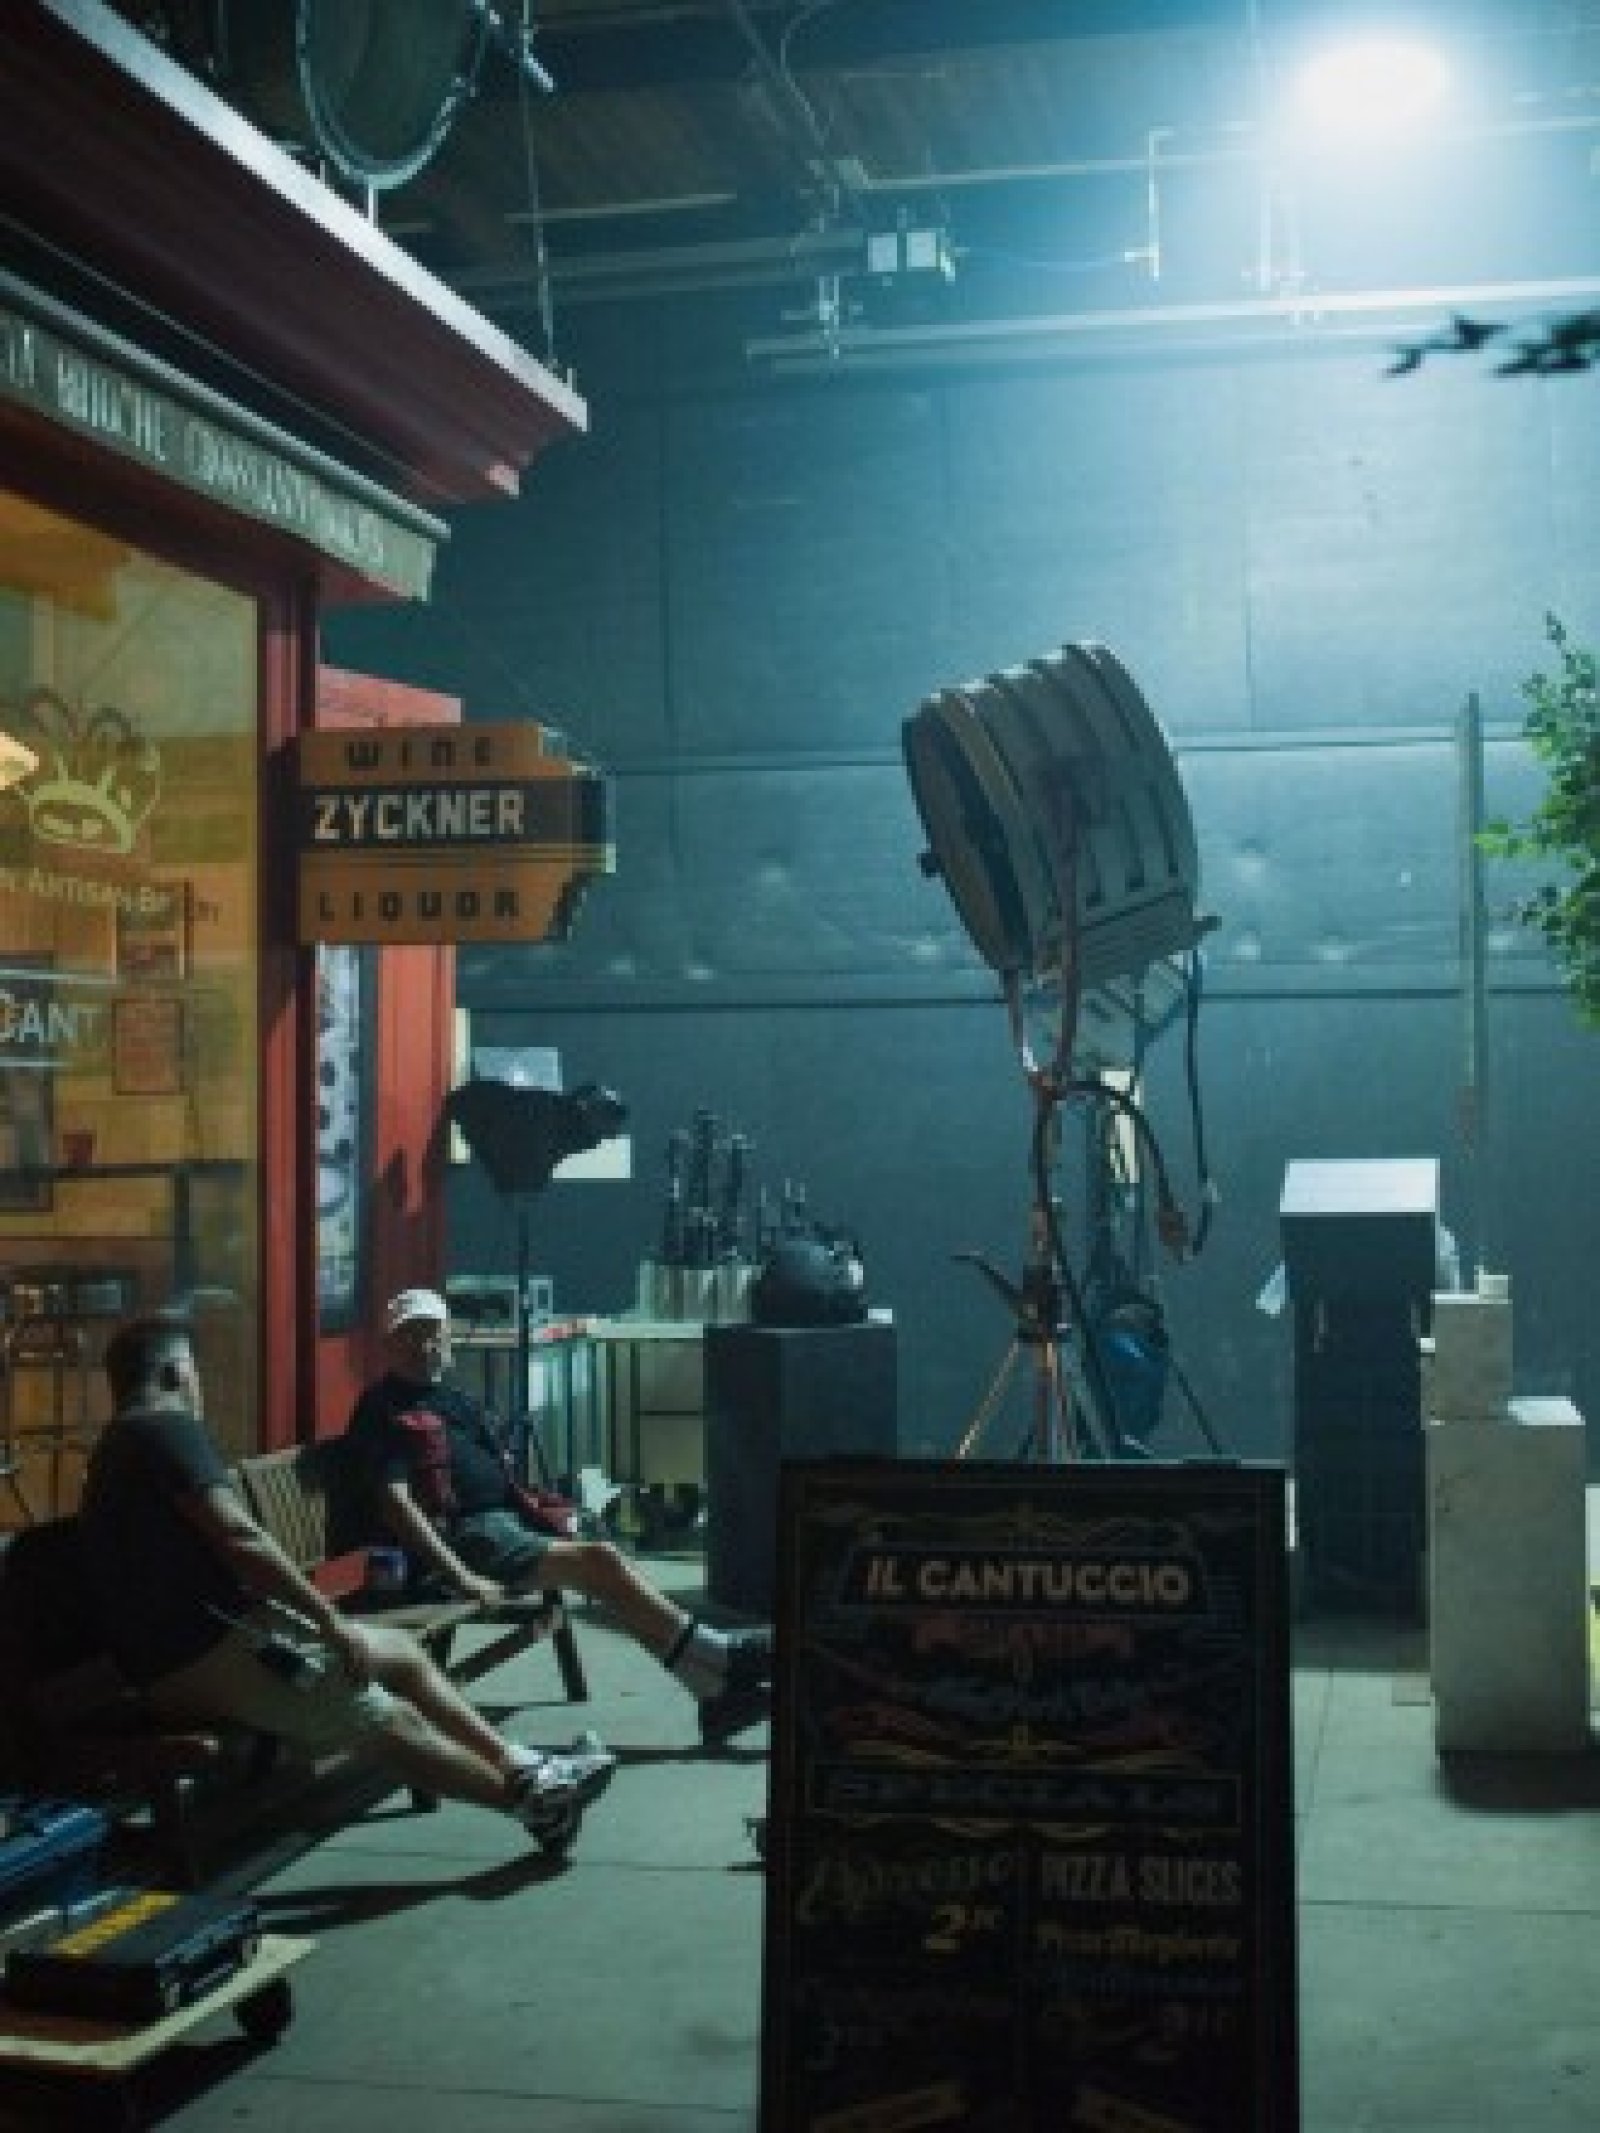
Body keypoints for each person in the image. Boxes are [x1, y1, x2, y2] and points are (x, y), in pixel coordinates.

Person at [77, 1310, 614, 1855]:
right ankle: (534, 1801)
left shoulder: (123, 1442)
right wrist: (329, 1621)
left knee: (401, 1654)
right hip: (203, 1654)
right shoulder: (166, 1430)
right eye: (195, 1371)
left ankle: (522, 1765)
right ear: (173, 1373)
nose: (200, 1386)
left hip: (190, 1649)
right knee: (386, 1720)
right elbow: (241, 1538)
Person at [345, 1288, 771, 1747]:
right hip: (462, 1541)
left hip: (500, 1526)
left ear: (449, 1336)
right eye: (410, 1335)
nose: (424, 1345)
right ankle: (723, 1657)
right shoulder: (382, 1408)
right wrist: (462, 1577)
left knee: (607, 1574)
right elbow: (398, 1506)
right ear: (389, 1344)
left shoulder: (455, 1402)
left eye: (432, 1332)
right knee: (600, 1563)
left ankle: (713, 1692)